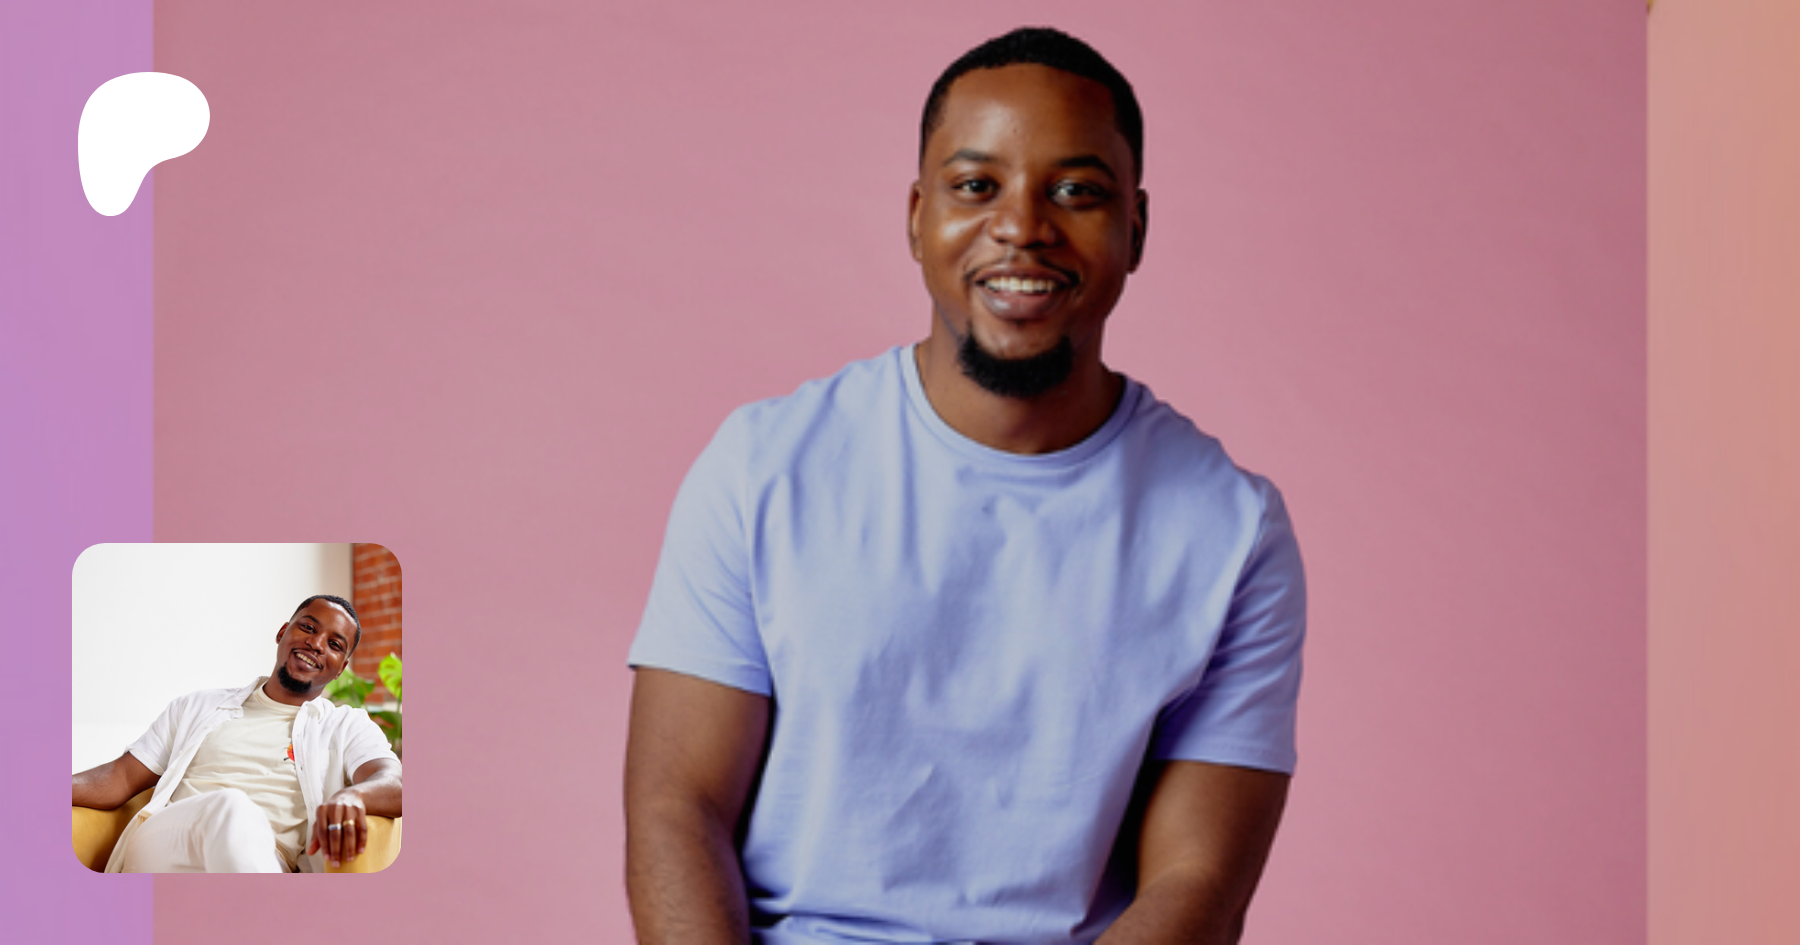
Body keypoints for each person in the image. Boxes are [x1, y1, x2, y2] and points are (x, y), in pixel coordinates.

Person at [625, 26, 1305, 945]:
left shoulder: (1231, 530)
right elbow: (677, 808)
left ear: (1136, 229)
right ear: (917, 217)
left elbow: (1200, 883)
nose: (1023, 226)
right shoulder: (762, 466)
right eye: (977, 186)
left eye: (1076, 191)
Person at [72, 594, 402, 873]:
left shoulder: (346, 725)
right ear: (283, 632)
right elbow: (120, 777)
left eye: (334, 644)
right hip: (167, 843)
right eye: (308, 627)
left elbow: (395, 784)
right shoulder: (197, 706)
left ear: (341, 667)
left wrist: (353, 796)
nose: (316, 644)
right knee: (232, 806)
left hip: (265, 862)